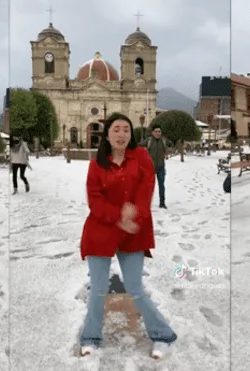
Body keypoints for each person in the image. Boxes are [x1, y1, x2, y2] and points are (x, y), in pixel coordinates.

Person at [79, 113, 177, 359]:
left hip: (134, 230)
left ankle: (162, 334)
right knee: (98, 289)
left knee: (135, 288)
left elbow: (147, 188)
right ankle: (91, 337)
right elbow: (95, 199)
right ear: (107, 135)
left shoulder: (141, 157)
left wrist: (134, 216)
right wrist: (117, 216)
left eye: (126, 129)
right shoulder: (97, 164)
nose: (121, 134)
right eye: (116, 129)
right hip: (101, 230)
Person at [139, 124, 172, 209]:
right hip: (150, 168)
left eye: (159, 131)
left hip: (161, 167)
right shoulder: (149, 141)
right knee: (148, 186)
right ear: (152, 132)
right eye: (156, 131)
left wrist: (169, 150)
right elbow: (139, 146)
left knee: (161, 185)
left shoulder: (164, 140)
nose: (158, 133)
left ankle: (162, 203)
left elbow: (171, 144)